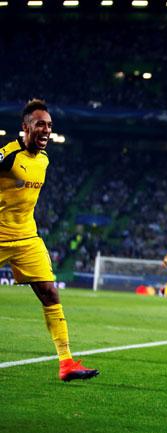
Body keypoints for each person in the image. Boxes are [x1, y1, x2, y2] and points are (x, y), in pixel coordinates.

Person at [0, 99, 99, 382]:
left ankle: (66, 364)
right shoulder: (8, 154)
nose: (46, 130)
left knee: (50, 294)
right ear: (25, 127)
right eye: (40, 124)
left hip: (27, 237)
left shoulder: (44, 159)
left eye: (50, 125)